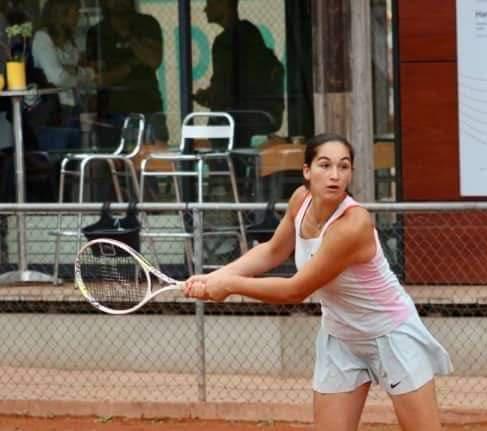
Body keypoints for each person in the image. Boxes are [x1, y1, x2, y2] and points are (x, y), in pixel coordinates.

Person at [183, 133, 453, 431]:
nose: (335, 175)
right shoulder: (300, 201)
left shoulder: (352, 225)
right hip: (340, 337)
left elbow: (295, 289)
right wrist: (216, 276)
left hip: (392, 334)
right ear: (307, 171)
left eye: (344, 166)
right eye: (324, 165)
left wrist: (232, 286)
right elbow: (272, 251)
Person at [193, 0, 285, 150]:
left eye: (210, 2)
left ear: (225, 4)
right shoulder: (250, 34)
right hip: (258, 117)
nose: (205, 9)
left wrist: (207, 97)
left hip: (238, 121)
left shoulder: (224, 42)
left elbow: (224, 90)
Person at [86, 0, 167, 148]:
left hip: (147, 105)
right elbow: (100, 79)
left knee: (155, 162)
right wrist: (131, 65)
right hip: (110, 111)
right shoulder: (96, 32)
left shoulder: (147, 23)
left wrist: (129, 36)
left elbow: (154, 60)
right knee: (113, 164)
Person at [31, 0, 94, 150]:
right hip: (54, 110)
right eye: (75, 12)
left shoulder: (69, 42)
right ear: (62, 13)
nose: (78, 16)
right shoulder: (43, 38)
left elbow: (77, 71)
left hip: (74, 106)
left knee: (75, 158)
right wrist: (80, 73)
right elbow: (57, 78)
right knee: (57, 159)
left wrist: (74, 71)